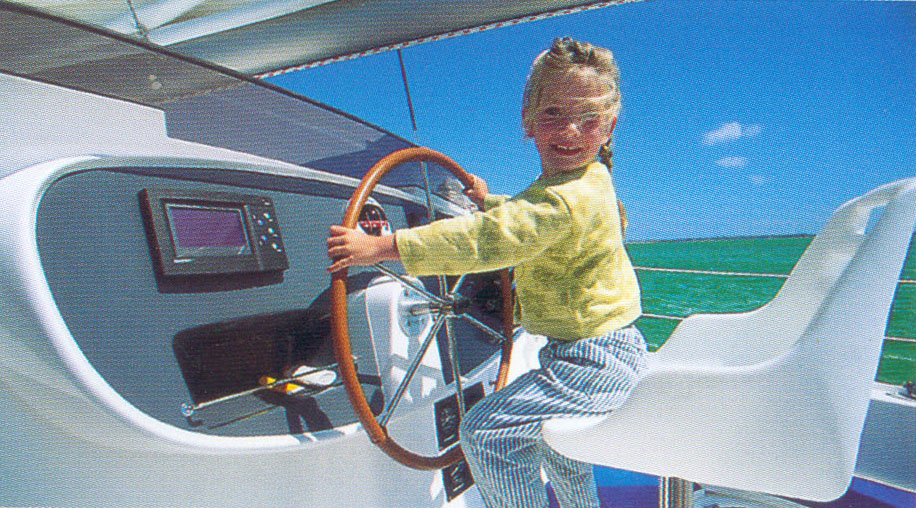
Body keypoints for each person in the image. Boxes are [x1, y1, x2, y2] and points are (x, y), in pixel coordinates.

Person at [327, 37, 648, 508]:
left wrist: (381, 247)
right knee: (559, 448)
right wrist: (488, 200)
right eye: (554, 113)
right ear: (529, 121)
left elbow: (485, 242)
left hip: (592, 362)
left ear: (609, 127)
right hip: (606, 351)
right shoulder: (585, 181)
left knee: (484, 433)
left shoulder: (563, 198)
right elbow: (525, 219)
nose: (570, 129)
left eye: (588, 119)